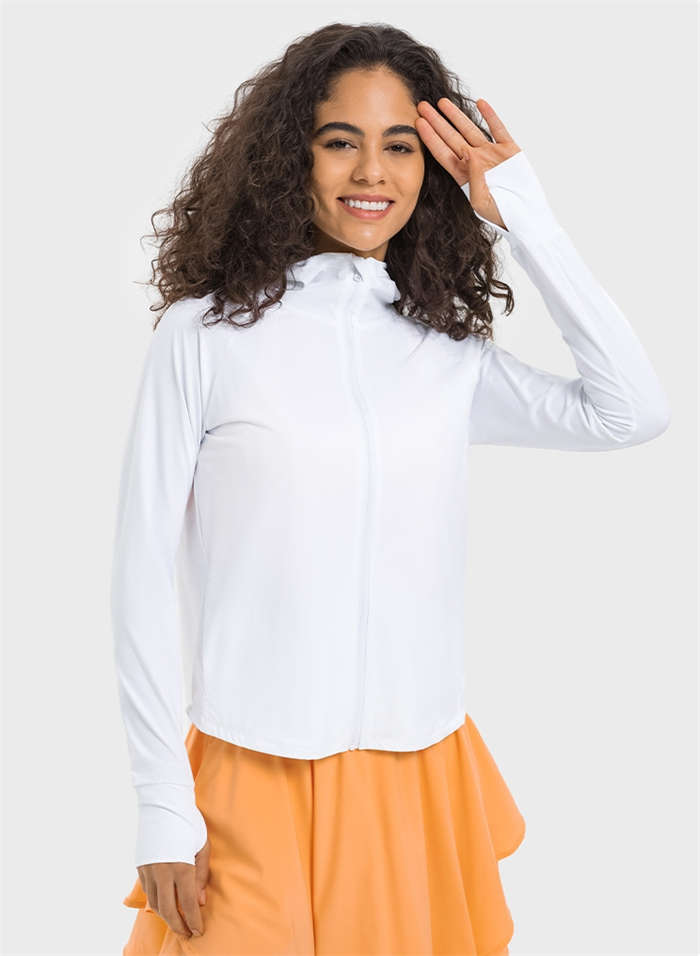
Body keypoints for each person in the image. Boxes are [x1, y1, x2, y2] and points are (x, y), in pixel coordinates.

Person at [110, 22, 671, 956]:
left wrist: (523, 214)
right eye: (341, 141)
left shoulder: (443, 353)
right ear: (291, 156)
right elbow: (139, 576)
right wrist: (162, 800)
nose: (372, 172)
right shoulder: (203, 337)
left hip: (418, 774)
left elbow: (631, 411)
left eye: (401, 146)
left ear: (431, 168)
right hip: (251, 775)